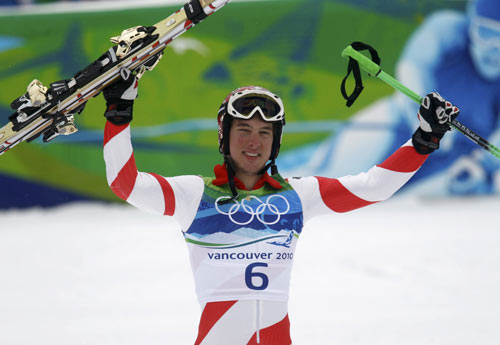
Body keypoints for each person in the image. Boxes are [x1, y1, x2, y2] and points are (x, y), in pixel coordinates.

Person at [101, 74, 458, 344]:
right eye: (243, 130)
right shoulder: (195, 194)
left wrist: (423, 140)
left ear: (276, 143)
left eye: (265, 133)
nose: (254, 142)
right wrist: (119, 117)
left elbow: (373, 187)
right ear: (224, 136)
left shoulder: (298, 195)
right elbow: (126, 184)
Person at [280, 0, 500, 196]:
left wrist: (483, 166)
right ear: (471, 24)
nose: (494, 49)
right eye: (487, 34)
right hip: (398, 125)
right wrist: (426, 125)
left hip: (452, 159)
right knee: (328, 178)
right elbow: (412, 68)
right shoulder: (447, 30)